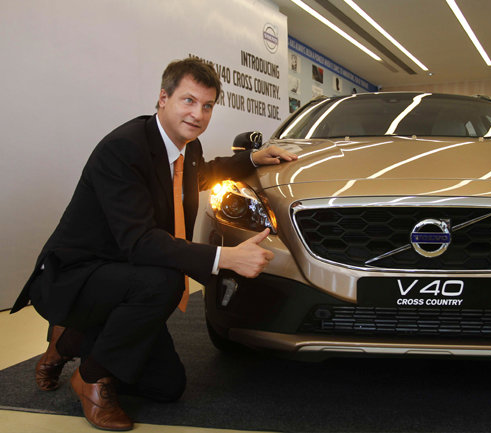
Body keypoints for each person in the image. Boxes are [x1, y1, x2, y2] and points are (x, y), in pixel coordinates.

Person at [10, 58, 297, 431]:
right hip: (76, 277)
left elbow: (202, 173)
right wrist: (225, 257)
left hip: (124, 277)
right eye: (188, 101)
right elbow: (140, 242)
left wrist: (252, 158)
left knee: (167, 387)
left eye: (207, 105)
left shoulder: (188, 148)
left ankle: (70, 340)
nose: (198, 114)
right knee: (163, 280)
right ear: (164, 98)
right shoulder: (123, 148)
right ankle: (91, 379)